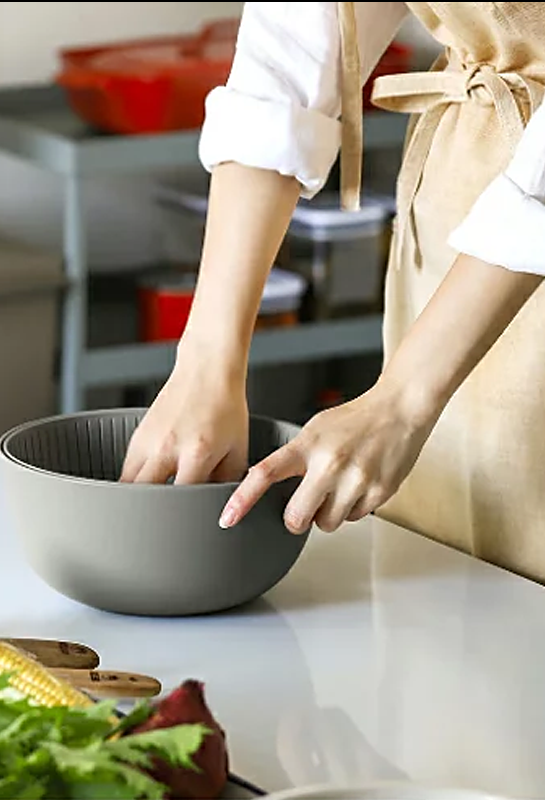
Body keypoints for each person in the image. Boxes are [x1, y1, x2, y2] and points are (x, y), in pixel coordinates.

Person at [121, 3, 545, 584]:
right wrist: (205, 365)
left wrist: (399, 401)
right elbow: (287, 59)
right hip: (460, 201)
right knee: (439, 578)